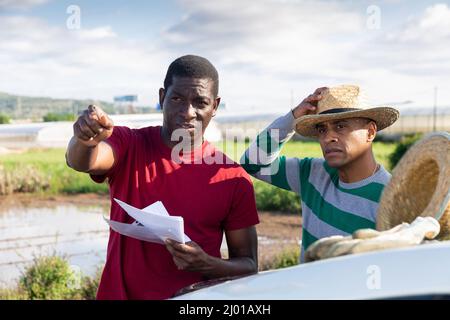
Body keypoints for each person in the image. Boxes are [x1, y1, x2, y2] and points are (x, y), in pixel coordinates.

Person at [66, 55, 259, 299]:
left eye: (200, 102)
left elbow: (249, 265)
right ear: (161, 98)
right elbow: (82, 161)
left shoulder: (232, 178)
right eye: (177, 98)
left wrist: (207, 263)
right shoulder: (130, 144)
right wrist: (84, 140)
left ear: (215, 106)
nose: (188, 112)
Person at [240, 85, 399, 262]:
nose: (328, 138)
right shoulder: (312, 174)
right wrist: (291, 119)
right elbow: (252, 163)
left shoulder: (391, 198)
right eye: (322, 129)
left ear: (370, 132)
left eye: (340, 126)